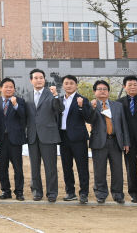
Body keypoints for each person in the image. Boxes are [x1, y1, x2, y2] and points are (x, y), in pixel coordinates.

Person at [25, 68, 63, 202]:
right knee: (34, 167)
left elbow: (60, 109)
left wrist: (56, 96)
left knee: (50, 167)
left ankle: (52, 193)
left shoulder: (51, 94)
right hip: (33, 136)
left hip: (48, 136)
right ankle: (37, 192)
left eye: (41, 77)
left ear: (44, 80)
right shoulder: (27, 95)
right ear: (31, 81)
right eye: (36, 78)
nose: (39, 80)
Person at [89, 80, 130, 204]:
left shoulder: (117, 106)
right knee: (99, 170)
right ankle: (101, 193)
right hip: (99, 142)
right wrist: (92, 108)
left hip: (115, 142)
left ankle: (118, 194)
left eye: (105, 89)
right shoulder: (92, 105)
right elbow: (89, 119)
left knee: (117, 170)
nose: (102, 91)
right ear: (95, 92)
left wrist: (126, 142)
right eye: (99, 89)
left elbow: (123, 125)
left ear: (108, 92)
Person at [58, 75, 92, 204]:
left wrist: (81, 106)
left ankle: (84, 193)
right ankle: (70, 192)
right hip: (63, 137)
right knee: (67, 167)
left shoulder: (82, 99)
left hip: (78, 138)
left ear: (76, 85)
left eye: (71, 83)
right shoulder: (60, 100)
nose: (69, 85)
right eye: (66, 83)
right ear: (63, 86)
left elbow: (89, 118)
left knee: (82, 167)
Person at [0, 77, 26, 201]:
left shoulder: (20, 101)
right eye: (6, 86)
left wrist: (15, 105)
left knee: (18, 167)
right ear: (1, 88)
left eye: (11, 87)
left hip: (15, 139)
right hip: (1, 140)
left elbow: (24, 117)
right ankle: (5, 191)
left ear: (14, 89)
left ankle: (19, 192)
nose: (8, 89)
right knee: (2, 167)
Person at [118, 75, 137, 203]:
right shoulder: (119, 103)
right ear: (125, 87)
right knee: (131, 169)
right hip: (128, 142)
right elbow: (118, 123)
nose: (132, 87)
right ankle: (134, 193)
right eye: (129, 85)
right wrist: (124, 141)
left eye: (135, 85)